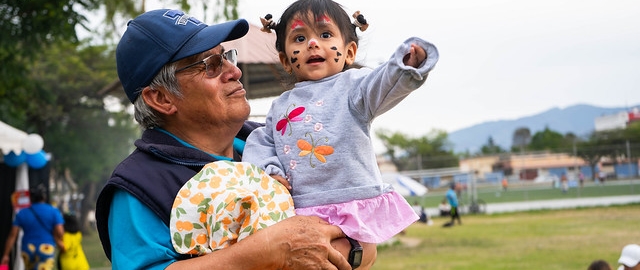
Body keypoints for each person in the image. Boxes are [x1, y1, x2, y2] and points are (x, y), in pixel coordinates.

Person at [94, 8, 357, 270]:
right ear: (162, 99)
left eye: (226, 57)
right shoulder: (140, 185)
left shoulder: (277, 140)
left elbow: (363, 244)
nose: (234, 71)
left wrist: (349, 248)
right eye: (210, 65)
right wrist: (268, 252)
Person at [242, 0, 438, 268]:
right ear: (285, 61)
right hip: (300, 210)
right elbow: (261, 142)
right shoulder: (280, 105)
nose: (312, 43)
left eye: (325, 35)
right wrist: (270, 172)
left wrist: (402, 66)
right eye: (299, 38)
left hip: (350, 203)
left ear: (349, 52)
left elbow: (380, 84)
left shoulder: (354, 88)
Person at [1, 185, 65, 270]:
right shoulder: (53, 211)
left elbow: (12, 235)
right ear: (44, 197)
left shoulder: (22, 213)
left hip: (28, 249)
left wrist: (6, 255)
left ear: (31, 198)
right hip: (46, 247)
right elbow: (60, 232)